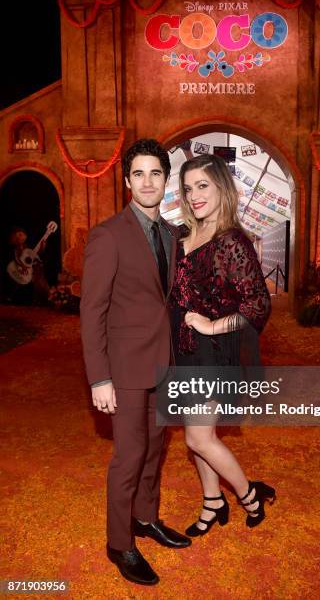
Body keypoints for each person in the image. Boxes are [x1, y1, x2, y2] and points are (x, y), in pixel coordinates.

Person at [80, 139, 191, 587]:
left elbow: (165, 301)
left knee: (155, 451)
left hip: (162, 365)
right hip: (123, 369)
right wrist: (99, 377)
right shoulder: (108, 235)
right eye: (139, 174)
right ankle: (119, 542)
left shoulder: (169, 233)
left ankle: (146, 519)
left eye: (156, 174)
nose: (148, 182)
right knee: (128, 458)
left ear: (167, 181)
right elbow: (93, 312)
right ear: (127, 181)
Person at [169, 154, 275, 536]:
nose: (194, 195)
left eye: (203, 186)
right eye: (188, 188)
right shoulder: (183, 236)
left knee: (199, 436)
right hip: (184, 350)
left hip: (214, 354)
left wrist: (213, 326)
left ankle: (249, 495)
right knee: (196, 433)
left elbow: (258, 304)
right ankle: (212, 501)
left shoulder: (231, 242)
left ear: (221, 189)